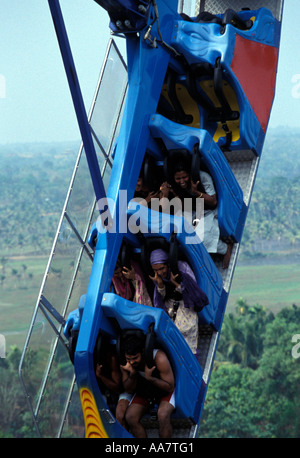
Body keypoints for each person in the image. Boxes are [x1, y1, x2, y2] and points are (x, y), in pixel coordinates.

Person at [160, 163, 233, 269]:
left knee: (201, 238)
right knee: (178, 231)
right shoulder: (172, 184)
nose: (182, 181)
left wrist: (196, 192)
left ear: (189, 174)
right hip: (192, 210)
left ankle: (226, 248)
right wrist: (166, 195)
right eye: (178, 178)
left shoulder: (202, 177)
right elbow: (171, 210)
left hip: (209, 210)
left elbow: (213, 202)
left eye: (184, 177)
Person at [149, 248, 208, 359]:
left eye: (162, 268)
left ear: (168, 264)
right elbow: (160, 298)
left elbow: (193, 292)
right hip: (171, 305)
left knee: (186, 329)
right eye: (156, 270)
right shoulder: (157, 277)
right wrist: (160, 285)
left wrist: (176, 284)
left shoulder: (182, 268)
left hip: (186, 303)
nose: (160, 273)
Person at [121, 333, 175, 438]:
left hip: (165, 389)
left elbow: (170, 387)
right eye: (129, 359)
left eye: (135, 358)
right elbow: (129, 390)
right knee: (130, 417)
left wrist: (150, 378)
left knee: (163, 415)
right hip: (147, 390)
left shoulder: (159, 358)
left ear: (143, 351)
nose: (131, 362)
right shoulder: (126, 363)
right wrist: (132, 375)